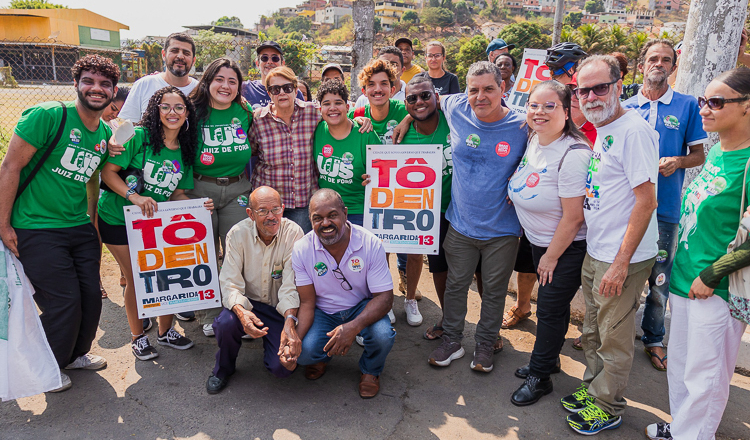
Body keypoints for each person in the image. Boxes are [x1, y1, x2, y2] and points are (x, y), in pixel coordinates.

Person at [0, 54, 120, 392]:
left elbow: (92, 183)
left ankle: (74, 354)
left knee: (91, 297)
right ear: (76, 84)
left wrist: (92, 226)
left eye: (105, 84)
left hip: (77, 226)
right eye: (89, 81)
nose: (97, 89)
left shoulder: (104, 133)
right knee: (63, 301)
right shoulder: (49, 116)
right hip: (36, 226)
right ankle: (46, 367)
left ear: (112, 92)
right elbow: (10, 167)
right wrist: (3, 223)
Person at [645, 66, 750, 440]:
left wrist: (712, 275)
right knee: (683, 367)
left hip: (715, 286)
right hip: (685, 277)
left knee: (706, 376)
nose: (704, 109)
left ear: (747, 107)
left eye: (716, 102)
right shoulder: (720, 148)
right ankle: (681, 428)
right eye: (704, 101)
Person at [561, 55, 659, 435]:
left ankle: (608, 405)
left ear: (620, 85)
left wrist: (621, 263)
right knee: (595, 332)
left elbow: (646, 200)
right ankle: (593, 388)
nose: (590, 96)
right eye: (582, 90)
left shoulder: (633, 131)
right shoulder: (605, 127)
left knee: (614, 337)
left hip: (623, 257)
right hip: (598, 249)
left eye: (600, 87)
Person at [426, 61, 527, 372]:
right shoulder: (455, 106)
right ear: (465, 91)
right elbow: (424, 103)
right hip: (460, 223)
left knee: (494, 291)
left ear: (504, 89)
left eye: (488, 89)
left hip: (503, 230)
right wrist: (404, 122)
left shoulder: (524, 125)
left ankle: (485, 343)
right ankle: (453, 340)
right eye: (474, 89)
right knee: (456, 285)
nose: (480, 96)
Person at [99, 86, 210, 359]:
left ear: (187, 113)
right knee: (137, 278)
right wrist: (133, 196)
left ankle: (165, 331)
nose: (172, 113)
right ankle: (138, 337)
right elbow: (108, 173)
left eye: (179, 107)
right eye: (165, 107)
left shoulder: (185, 149)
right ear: (155, 110)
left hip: (153, 224)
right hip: (117, 218)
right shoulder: (139, 137)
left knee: (164, 275)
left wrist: (197, 207)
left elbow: (177, 192)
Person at [623, 39, 707, 372]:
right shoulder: (626, 108)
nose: (659, 64)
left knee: (659, 280)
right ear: (642, 65)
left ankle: (654, 338)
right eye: (653, 59)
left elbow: (700, 155)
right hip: (626, 209)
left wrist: (678, 161)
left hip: (666, 210)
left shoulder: (687, 106)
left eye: (666, 59)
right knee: (622, 272)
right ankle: (607, 331)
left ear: (673, 66)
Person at [508, 80, 591, 406]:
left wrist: (551, 256)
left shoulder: (573, 154)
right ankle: (549, 359)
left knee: (550, 311)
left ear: (566, 110)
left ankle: (540, 377)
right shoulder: (536, 139)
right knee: (552, 309)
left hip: (565, 247)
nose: (539, 112)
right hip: (538, 241)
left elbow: (573, 218)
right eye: (534, 105)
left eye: (549, 106)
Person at [293, 189, 396, 399]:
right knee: (303, 354)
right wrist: (296, 339)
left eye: (332, 215)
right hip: (324, 311)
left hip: (361, 305)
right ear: (310, 220)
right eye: (317, 218)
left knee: (383, 335)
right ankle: (323, 355)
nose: (325, 223)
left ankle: (371, 370)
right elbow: (306, 302)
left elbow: (385, 298)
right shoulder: (302, 249)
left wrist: (352, 327)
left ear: (345, 213)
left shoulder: (369, 243)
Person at [250, 66, 372, 234]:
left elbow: (337, 112)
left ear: (295, 88)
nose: (282, 93)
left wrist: (358, 119)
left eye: (287, 88)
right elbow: (250, 151)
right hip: (270, 205)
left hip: (303, 201)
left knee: (300, 251)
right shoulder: (258, 119)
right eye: (275, 89)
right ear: (269, 93)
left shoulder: (313, 112)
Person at [205, 186, 304, 394]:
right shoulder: (237, 234)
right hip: (248, 304)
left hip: (279, 309)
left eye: (276, 209)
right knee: (226, 324)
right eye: (263, 211)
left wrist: (290, 323)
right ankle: (222, 370)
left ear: (283, 209)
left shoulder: (293, 232)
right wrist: (242, 313)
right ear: (250, 214)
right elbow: (230, 283)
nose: (271, 216)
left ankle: (275, 346)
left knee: (282, 369)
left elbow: (291, 285)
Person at [187, 57, 255, 336]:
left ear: (239, 87)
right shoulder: (192, 111)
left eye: (232, 81)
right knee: (202, 253)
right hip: (200, 189)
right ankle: (209, 313)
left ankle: (238, 307)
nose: (225, 86)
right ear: (208, 81)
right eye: (219, 79)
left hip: (239, 189)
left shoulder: (244, 111)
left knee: (236, 254)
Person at [349, 58, 417, 309]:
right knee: (380, 248)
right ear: (364, 90)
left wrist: (408, 120)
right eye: (371, 84)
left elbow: (427, 111)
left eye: (384, 84)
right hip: (374, 192)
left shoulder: (404, 109)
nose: (378, 89)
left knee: (413, 248)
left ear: (393, 87)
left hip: (407, 188)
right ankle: (383, 299)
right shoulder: (356, 114)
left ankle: (411, 298)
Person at [400, 74, 453, 331]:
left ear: (437, 97)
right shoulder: (401, 136)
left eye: (425, 95)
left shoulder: (454, 119)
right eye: (412, 98)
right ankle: (447, 319)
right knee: (439, 268)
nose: (419, 101)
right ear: (406, 102)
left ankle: (489, 330)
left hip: (465, 210)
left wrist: (409, 115)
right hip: (430, 213)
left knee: (478, 270)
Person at [313, 80, 380, 228]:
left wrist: (372, 179)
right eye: (326, 104)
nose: (332, 108)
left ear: (348, 106)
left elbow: (384, 173)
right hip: (325, 209)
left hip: (359, 210)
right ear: (320, 109)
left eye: (338, 103)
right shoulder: (316, 130)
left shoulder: (365, 133)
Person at [119, 33, 198, 122]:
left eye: (186, 53)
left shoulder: (200, 90)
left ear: (193, 60)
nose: (180, 56)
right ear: (163, 55)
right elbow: (125, 125)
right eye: (174, 51)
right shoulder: (144, 85)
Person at [241, 40, 305, 110]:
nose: (269, 62)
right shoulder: (245, 88)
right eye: (264, 58)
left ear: (282, 63)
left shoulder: (291, 90)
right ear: (257, 64)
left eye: (275, 58)